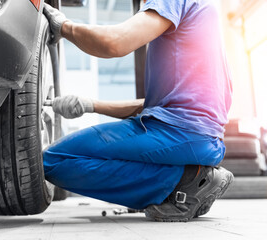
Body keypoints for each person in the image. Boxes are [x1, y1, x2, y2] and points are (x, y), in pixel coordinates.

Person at [42, 0, 234, 222]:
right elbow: (156, 105)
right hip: (202, 141)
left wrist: (65, 27)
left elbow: (114, 43)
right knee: (80, 155)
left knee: (54, 159)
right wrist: (89, 105)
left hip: (176, 133)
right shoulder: (205, 17)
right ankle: (186, 176)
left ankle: (185, 182)